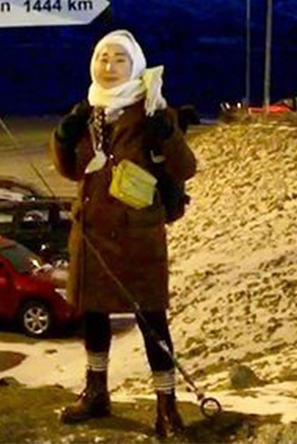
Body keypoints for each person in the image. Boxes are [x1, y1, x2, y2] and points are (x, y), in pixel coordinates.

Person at [50, 30, 197, 438]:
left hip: (137, 235)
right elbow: (69, 169)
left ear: (134, 65)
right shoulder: (89, 110)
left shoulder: (153, 110)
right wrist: (63, 135)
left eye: (118, 59)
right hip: (93, 231)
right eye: (102, 57)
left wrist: (166, 134)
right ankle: (96, 392)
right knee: (93, 313)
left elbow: (184, 168)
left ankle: (166, 406)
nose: (109, 66)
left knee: (151, 319)